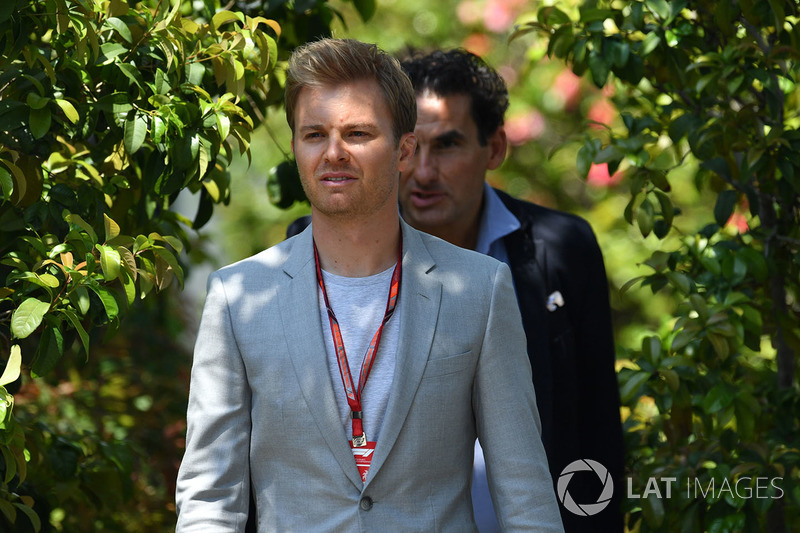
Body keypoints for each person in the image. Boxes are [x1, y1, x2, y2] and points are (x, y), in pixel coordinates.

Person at [175, 38, 563, 532]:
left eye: (357, 133)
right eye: (314, 134)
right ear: (295, 145)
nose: (333, 153)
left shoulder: (480, 290)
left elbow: (525, 494)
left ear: (403, 151)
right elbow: (209, 498)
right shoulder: (238, 297)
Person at [394, 49, 626, 532]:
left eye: (448, 145)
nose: (423, 172)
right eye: (411, 146)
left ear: (494, 148)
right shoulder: (330, 249)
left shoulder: (561, 248)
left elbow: (597, 424)